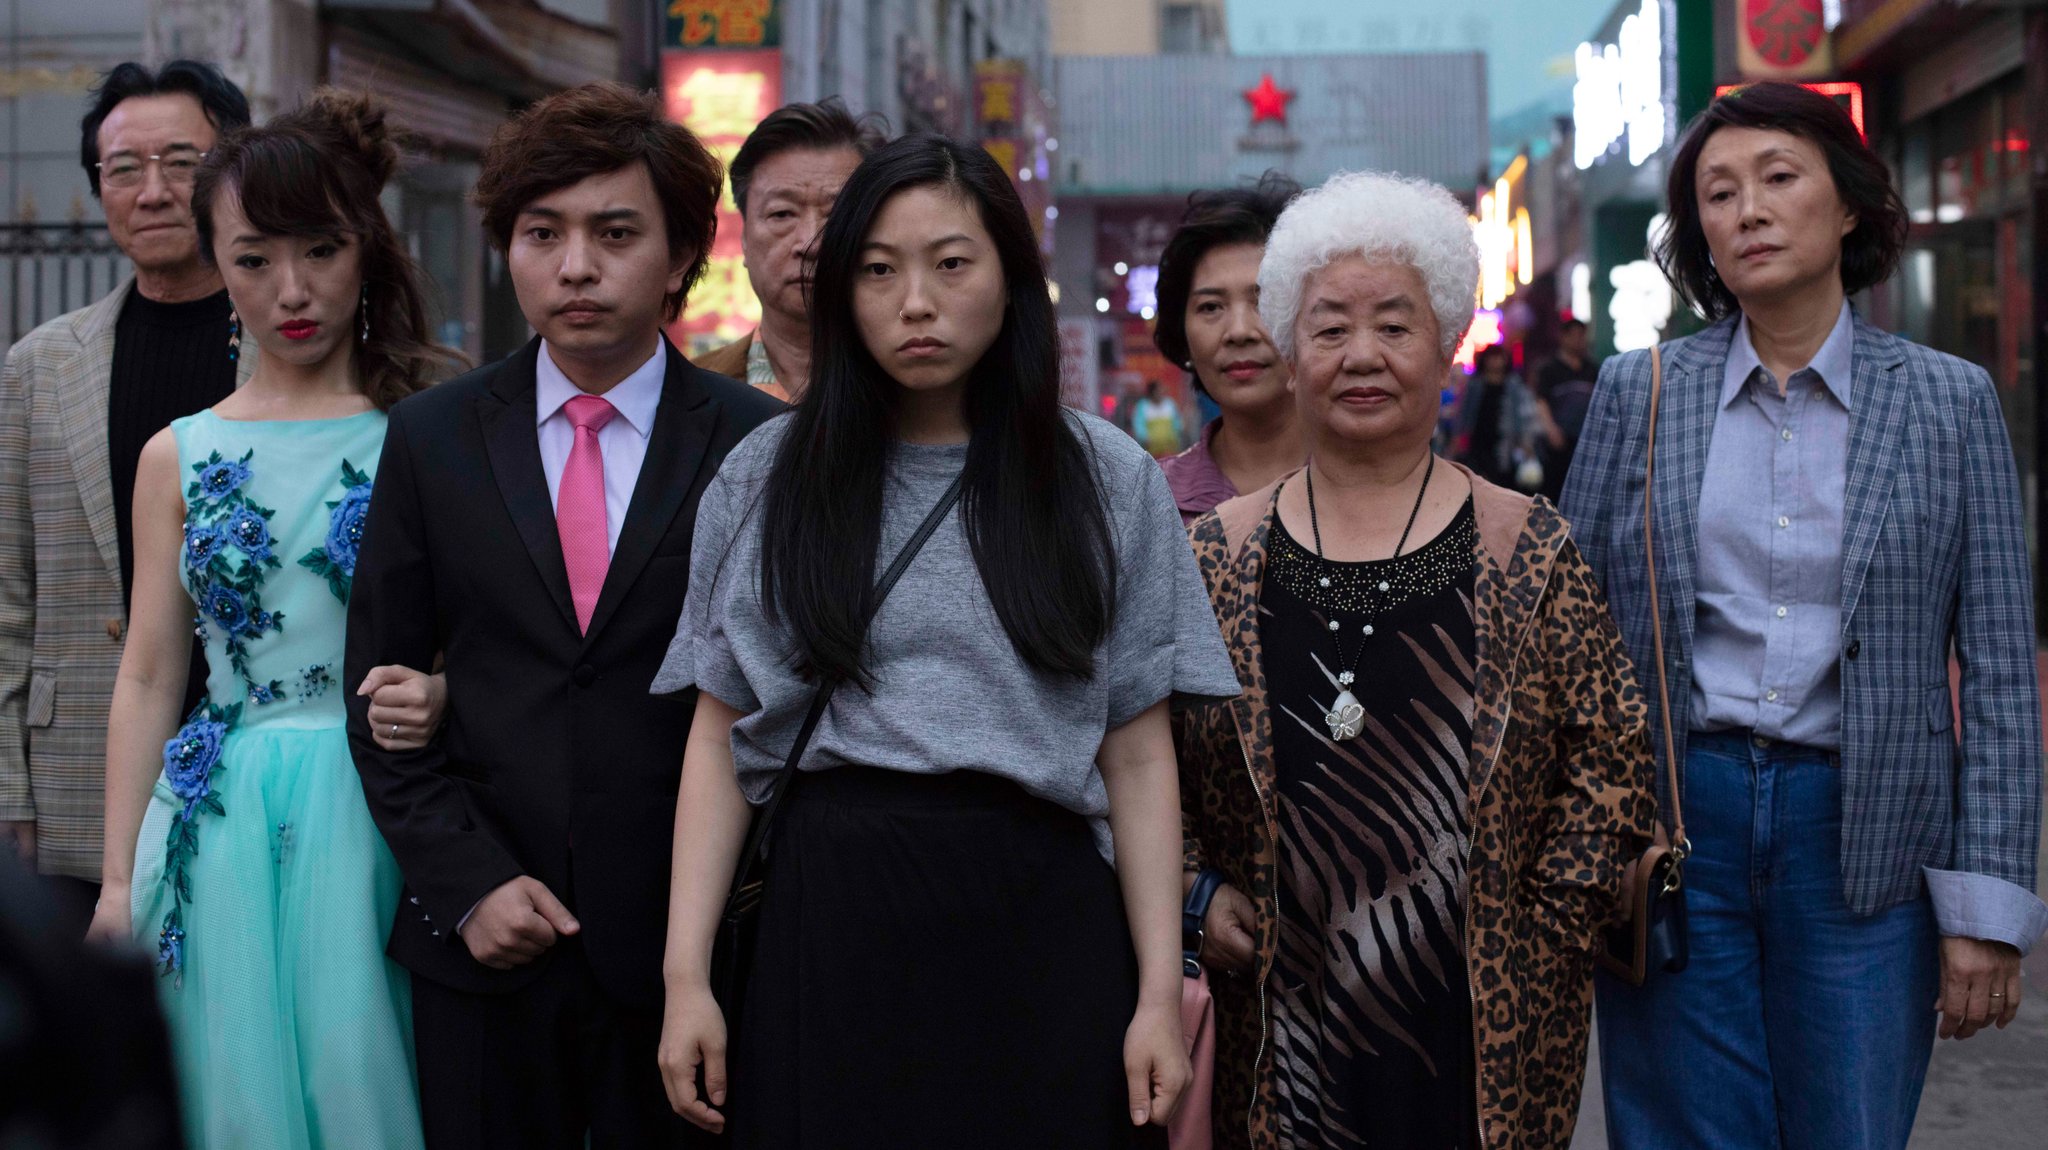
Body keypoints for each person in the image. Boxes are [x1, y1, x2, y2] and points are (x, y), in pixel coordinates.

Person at [652, 133, 1241, 1148]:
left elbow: (1136, 750)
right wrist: (685, 978)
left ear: (1011, 278)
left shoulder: (1100, 479)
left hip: (1041, 917)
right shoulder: (766, 478)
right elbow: (718, 735)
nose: (912, 301)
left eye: (949, 263)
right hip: (829, 918)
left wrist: (1154, 991)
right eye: (877, 270)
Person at [1560, 81, 2048, 1150]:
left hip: (1865, 834)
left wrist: (1986, 906)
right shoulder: (1636, 395)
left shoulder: (1946, 400)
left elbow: (2003, 669)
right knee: (1687, 1131)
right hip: (1677, 821)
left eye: (1778, 178)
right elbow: (1569, 640)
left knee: (1848, 1128)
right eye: (1716, 194)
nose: (1746, 211)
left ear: (1847, 207)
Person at [1174, 171, 1656, 1150]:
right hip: (1276, 1020)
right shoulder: (1213, 556)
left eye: (1393, 326)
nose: (1361, 355)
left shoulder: (1527, 546)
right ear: (1288, 345)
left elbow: (1608, 759)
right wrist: (1196, 893)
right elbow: (1149, 758)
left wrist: (1538, 939)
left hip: (1479, 1035)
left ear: (1444, 343)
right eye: (1328, 327)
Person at [344, 82, 783, 1150]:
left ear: (682, 255)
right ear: (508, 248)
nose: (575, 266)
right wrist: (468, 883)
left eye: (614, 233)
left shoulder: (755, 442)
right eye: (542, 234)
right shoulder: (433, 435)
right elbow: (376, 697)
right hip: (486, 938)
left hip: (694, 951)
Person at [84, 90, 460, 1148]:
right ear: (216, 262)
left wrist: (440, 688)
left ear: (365, 248)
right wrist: (118, 880)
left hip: (385, 801)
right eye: (252, 259)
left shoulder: (431, 427)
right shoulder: (179, 453)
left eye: (320, 249)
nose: (290, 290)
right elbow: (153, 674)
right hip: (218, 816)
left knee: (367, 1075)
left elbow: (494, 640)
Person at [0, 60, 252, 938]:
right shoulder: (41, 365)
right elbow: (9, 592)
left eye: (183, 163)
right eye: (123, 169)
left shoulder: (295, 356)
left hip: (255, 763)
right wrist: (8, 787)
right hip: (75, 775)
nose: (153, 192)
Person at [692, 97, 888, 401]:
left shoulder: (925, 390)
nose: (810, 243)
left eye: (837, 216)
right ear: (743, 239)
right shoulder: (684, 395)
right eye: (782, 214)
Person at [1152, 173, 1304, 523]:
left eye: (1264, 301)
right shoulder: (1149, 503)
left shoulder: (1370, 489)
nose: (1238, 332)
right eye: (1210, 307)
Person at [1454, 342, 1555, 490]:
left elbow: (1522, 414)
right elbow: (1464, 413)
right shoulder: (1475, 385)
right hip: (1478, 441)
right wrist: (1458, 438)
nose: (1495, 362)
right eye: (1492, 358)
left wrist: (1524, 441)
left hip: (1506, 442)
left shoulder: (1514, 385)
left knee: (1502, 481)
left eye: (1498, 357)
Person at [1532, 317, 1597, 500]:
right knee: (1555, 491)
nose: (1578, 340)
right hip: (1558, 442)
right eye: (1574, 335)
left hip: (1585, 442)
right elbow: (1541, 401)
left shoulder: (1592, 369)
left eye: (1581, 336)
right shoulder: (1549, 369)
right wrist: (1551, 429)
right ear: (1564, 337)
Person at [1130, 378, 1187, 456]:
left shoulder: (1170, 404)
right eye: (1159, 390)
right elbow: (1138, 425)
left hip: (1169, 449)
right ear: (1152, 392)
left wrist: (1176, 434)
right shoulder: (1143, 406)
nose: (1162, 392)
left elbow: (1177, 422)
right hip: (1150, 450)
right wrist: (1144, 438)